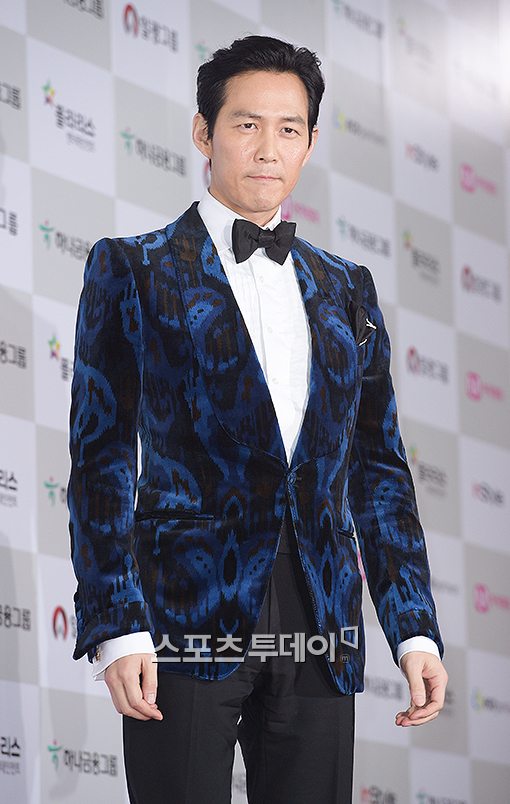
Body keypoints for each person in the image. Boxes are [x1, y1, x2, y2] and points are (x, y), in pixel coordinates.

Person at [67, 34, 448, 804]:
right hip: (182, 617)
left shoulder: (348, 288)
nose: (268, 148)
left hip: (321, 620)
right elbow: (101, 458)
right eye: (246, 124)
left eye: (288, 128)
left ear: (310, 141)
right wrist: (116, 624)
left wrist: (413, 626)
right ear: (203, 132)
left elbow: (378, 472)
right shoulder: (133, 267)